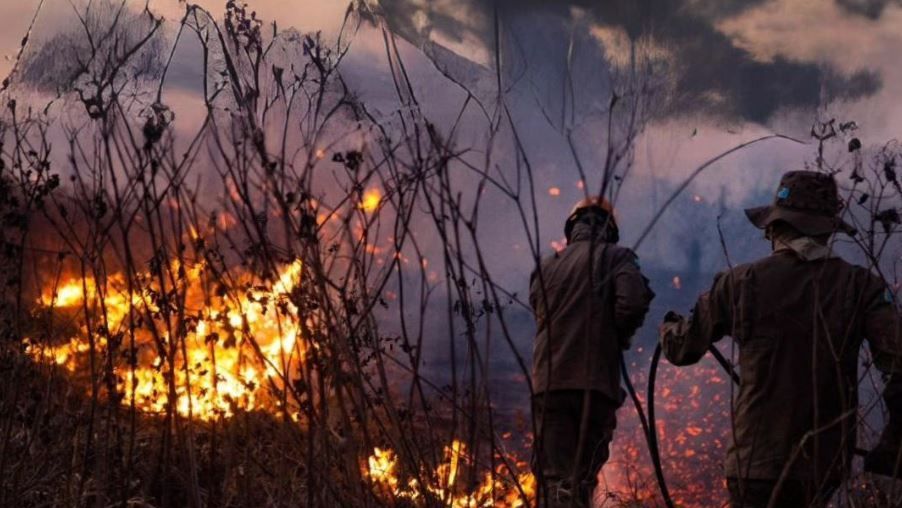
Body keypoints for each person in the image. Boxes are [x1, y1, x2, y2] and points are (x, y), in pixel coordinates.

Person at [658, 170, 902, 507]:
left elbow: (682, 350)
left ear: (773, 228)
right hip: (823, 466)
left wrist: (668, 328)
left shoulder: (738, 282)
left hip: (754, 463)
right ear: (828, 230)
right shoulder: (861, 286)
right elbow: (897, 363)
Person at [530, 197, 654, 507]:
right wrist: (617, 335)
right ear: (610, 230)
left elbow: (540, 312)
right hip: (594, 386)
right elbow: (633, 303)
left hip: (549, 385)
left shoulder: (547, 266)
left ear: (572, 228)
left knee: (555, 479)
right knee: (581, 477)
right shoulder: (618, 258)